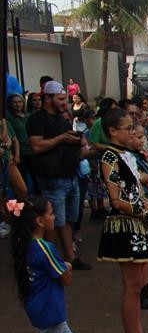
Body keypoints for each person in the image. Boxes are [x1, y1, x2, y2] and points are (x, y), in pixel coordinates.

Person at [96, 109, 148, 333]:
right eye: (128, 128)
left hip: (137, 222)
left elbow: (139, 190)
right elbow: (117, 200)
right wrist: (146, 215)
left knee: (138, 284)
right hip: (125, 224)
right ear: (113, 131)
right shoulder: (109, 157)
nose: (133, 132)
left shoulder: (126, 156)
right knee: (131, 286)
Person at [9, 195, 89, 333]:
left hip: (41, 305)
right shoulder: (44, 248)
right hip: (49, 307)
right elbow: (65, 279)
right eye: (51, 213)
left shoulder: (26, 245)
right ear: (40, 221)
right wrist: (68, 266)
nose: (54, 217)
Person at [27, 81, 92, 270]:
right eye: (61, 99)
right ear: (48, 98)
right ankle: (47, 260)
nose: (65, 102)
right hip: (53, 178)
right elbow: (37, 146)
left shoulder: (61, 118)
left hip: (70, 175)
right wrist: (63, 138)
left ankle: (68, 257)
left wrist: (76, 140)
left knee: (68, 220)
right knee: (53, 221)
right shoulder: (37, 120)